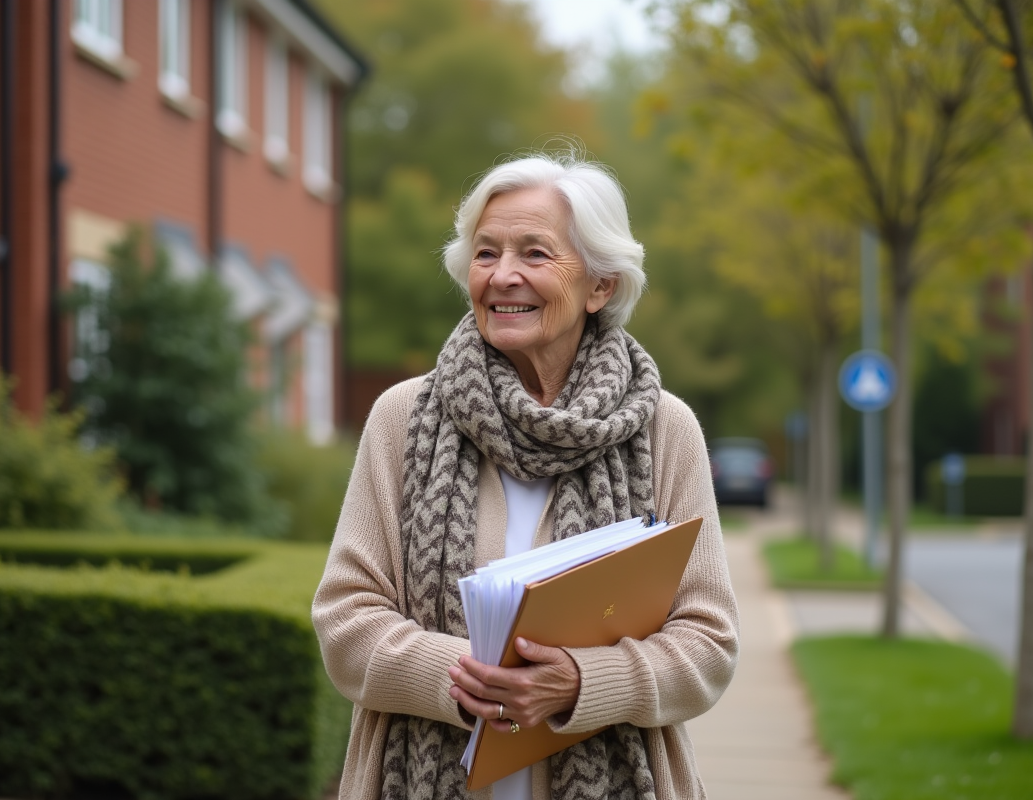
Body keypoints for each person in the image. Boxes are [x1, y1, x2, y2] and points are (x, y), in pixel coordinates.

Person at [312, 151, 739, 800]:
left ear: (601, 286)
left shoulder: (662, 429)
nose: (503, 275)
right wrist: (467, 674)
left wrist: (582, 681)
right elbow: (345, 619)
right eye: (486, 254)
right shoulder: (402, 418)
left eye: (535, 255)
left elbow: (708, 642)